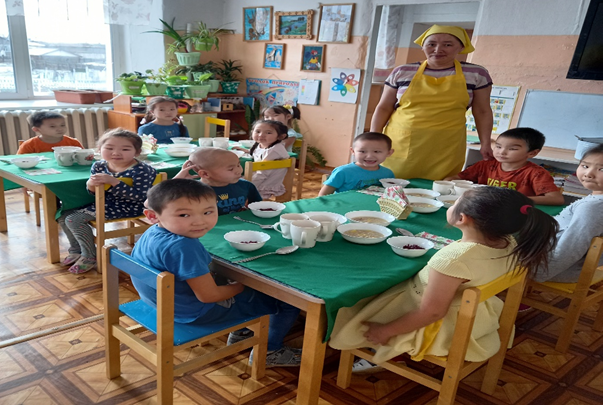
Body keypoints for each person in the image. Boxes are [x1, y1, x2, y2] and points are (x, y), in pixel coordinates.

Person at [329, 187, 558, 367]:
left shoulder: (453, 259)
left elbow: (432, 312)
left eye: (455, 202)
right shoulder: (510, 242)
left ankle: (383, 350)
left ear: (462, 218)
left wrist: (385, 331)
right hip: (476, 315)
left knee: (350, 305)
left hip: (439, 326)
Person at [131, 179, 302, 367]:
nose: (199, 221)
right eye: (184, 215)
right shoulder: (183, 245)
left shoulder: (153, 231)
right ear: (153, 216)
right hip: (193, 313)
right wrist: (241, 286)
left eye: (208, 212)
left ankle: (242, 331)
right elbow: (209, 296)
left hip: (164, 304)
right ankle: (270, 351)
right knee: (286, 300)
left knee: (228, 280)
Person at [370, 25, 494, 180]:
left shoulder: (476, 74)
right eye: (431, 44)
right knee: (393, 183)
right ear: (423, 46)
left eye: (447, 45)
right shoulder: (402, 71)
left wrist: (485, 143)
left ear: (461, 47)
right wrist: (373, 138)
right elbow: (384, 107)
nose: (438, 49)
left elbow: (482, 111)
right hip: (402, 140)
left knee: (440, 186)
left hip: (447, 143)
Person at [57, 129, 156, 274]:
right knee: (63, 215)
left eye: (125, 149)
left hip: (132, 206)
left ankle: (89, 256)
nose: (116, 153)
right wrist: (90, 185)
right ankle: (76, 249)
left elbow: (141, 197)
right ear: (99, 149)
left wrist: (115, 182)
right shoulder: (99, 166)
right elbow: (94, 193)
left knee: (74, 219)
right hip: (106, 203)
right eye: (109, 148)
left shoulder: (143, 170)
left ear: (137, 152)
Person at [533, 144, 603, 282]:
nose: (588, 173)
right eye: (585, 166)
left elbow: (571, 248)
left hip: (557, 268)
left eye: (601, 169)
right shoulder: (596, 200)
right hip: (559, 261)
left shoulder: (593, 207)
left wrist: (537, 274)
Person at [445, 128, 564, 205]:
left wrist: (517, 200)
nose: (502, 152)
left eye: (512, 149)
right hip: (482, 207)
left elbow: (556, 199)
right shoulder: (485, 165)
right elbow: (454, 178)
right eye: (498, 146)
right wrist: (447, 184)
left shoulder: (536, 173)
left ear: (532, 153)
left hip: (513, 212)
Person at [174, 147, 262, 215]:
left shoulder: (246, 186)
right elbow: (168, 205)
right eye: (231, 169)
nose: (239, 171)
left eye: (238, 165)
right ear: (205, 174)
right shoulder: (193, 191)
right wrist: (176, 181)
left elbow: (258, 207)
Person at [319, 132, 394, 196]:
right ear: (353, 151)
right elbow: (322, 196)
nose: (369, 156)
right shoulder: (343, 172)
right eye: (362, 151)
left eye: (377, 151)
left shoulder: (388, 173)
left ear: (389, 153)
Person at [248, 120, 290, 200]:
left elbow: (263, 173)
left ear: (280, 136)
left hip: (267, 183)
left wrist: (248, 185)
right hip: (260, 175)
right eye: (257, 131)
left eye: (268, 133)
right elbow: (258, 154)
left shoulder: (274, 151)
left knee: (233, 182)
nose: (261, 135)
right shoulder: (262, 144)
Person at [18, 111, 83, 154]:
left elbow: (84, 157)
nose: (60, 129)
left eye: (62, 125)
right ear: (36, 129)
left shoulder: (73, 143)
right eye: (52, 126)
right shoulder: (29, 145)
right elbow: (20, 161)